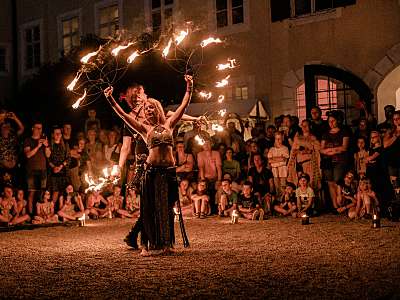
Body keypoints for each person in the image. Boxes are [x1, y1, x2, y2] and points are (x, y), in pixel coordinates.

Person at [104, 74, 193, 255]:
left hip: (168, 172)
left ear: (158, 109)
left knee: (167, 208)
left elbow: (184, 106)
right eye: (147, 109)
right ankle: (146, 245)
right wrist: (111, 99)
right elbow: (122, 116)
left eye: (152, 108)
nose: (149, 111)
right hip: (151, 172)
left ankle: (167, 244)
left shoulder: (169, 124)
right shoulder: (145, 129)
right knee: (149, 208)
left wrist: (189, 87)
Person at [320, 112, 350, 211]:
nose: (331, 123)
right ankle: (335, 206)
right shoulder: (325, 134)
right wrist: (335, 150)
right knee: (330, 182)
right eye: (329, 121)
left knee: (338, 181)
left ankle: (340, 202)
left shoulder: (344, 132)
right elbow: (322, 149)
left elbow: (344, 147)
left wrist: (331, 150)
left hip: (340, 160)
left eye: (333, 121)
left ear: (338, 121)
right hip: (328, 162)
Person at [24, 122, 51, 215]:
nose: (39, 130)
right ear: (33, 128)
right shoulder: (28, 140)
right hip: (31, 170)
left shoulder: (44, 141)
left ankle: (41, 215)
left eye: (41, 128)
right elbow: (28, 155)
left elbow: (48, 155)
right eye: (37, 128)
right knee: (31, 194)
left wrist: (46, 146)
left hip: (42, 170)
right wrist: (38, 146)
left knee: (42, 194)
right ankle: (31, 215)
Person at [287, 119, 321, 191]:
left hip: (309, 164)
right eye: (302, 125)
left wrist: (308, 149)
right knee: (299, 185)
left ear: (310, 126)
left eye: (306, 125)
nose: (304, 127)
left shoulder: (313, 138)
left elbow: (316, 149)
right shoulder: (298, 138)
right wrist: (289, 165)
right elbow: (293, 151)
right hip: (299, 165)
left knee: (310, 185)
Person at [48, 126, 70, 204]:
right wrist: (54, 167)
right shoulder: (50, 145)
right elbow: (48, 159)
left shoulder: (65, 145)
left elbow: (68, 158)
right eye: (56, 133)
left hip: (63, 171)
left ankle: (63, 211)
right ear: (53, 135)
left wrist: (60, 166)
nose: (58, 135)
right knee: (55, 192)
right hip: (54, 172)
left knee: (64, 192)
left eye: (59, 133)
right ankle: (52, 210)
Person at [267, 131, 289, 197]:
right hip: (274, 170)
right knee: (277, 186)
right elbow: (269, 160)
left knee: (283, 186)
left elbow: (284, 159)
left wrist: (274, 159)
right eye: (277, 139)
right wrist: (280, 158)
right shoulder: (272, 149)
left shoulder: (285, 148)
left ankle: (284, 199)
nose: (278, 140)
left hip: (283, 170)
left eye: (279, 138)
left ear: (282, 138)